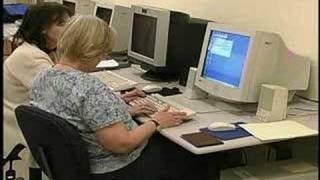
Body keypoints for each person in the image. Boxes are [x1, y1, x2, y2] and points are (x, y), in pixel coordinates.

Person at [31, 16, 220, 180]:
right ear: (91, 49)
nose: (104, 56)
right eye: (104, 51)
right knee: (199, 155)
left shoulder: (43, 76)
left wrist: (123, 111)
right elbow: (121, 144)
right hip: (117, 169)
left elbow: (78, 118)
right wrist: (156, 121)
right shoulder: (89, 87)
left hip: (78, 165)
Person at [3, 2, 71, 179]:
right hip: (20, 132)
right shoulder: (31, 57)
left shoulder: (43, 50)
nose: (68, 28)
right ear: (42, 28)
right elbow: (63, 96)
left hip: (25, 123)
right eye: (61, 24)